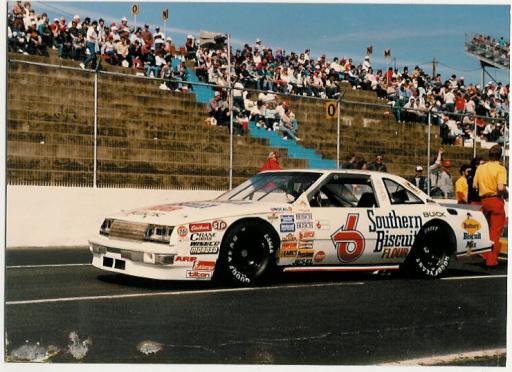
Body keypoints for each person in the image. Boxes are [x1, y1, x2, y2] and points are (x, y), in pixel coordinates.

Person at [473, 145, 507, 267]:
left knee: (486, 230)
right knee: (495, 232)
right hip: (495, 200)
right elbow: (500, 187)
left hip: (484, 201)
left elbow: (475, 186)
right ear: (500, 156)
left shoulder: (481, 168)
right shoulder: (500, 168)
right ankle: (491, 260)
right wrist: (506, 194)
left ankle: (485, 254)